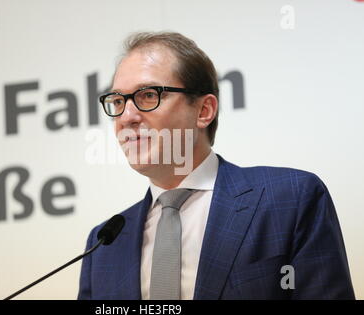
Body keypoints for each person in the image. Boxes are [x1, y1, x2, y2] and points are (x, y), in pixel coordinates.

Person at [78, 31, 355, 299]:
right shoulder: (103, 245)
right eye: (117, 101)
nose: (126, 117)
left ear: (204, 111)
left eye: (148, 95)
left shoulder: (291, 199)